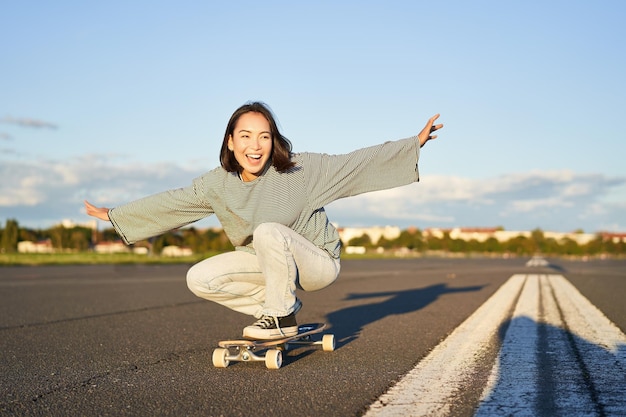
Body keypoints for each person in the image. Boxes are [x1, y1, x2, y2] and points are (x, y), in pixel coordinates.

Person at [84, 101, 443, 340]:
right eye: (245, 136)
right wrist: (115, 216)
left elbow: (355, 163)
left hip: (317, 262)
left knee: (269, 230)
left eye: (264, 137)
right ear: (229, 142)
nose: (255, 146)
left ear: (273, 142)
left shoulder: (300, 171)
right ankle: (278, 310)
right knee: (199, 278)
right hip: (268, 264)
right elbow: (174, 203)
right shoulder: (216, 184)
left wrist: (414, 143)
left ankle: (281, 315)